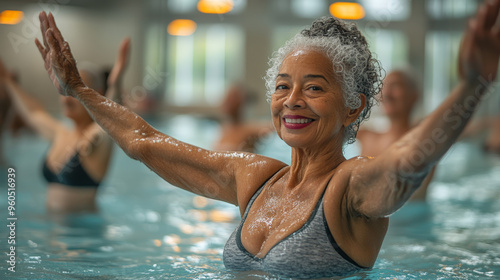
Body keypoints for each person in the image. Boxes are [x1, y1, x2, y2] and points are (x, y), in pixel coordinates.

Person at [34, 0, 500, 277]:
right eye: (282, 86)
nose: (292, 100)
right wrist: (79, 88)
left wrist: (472, 84)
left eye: (314, 88)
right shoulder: (254, 177)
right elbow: (142, 142)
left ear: (354, 107)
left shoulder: (349, 188)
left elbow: (408, 164)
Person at [0, 38, 130, 213]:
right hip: (53, 232)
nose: (66, 97)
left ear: (95, 95)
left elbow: (111, 119)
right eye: (63, 89)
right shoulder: (60, 132)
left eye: (74, 91)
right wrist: (7, 80)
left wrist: (115, 84)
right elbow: (33, 113)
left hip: (84, 236)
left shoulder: (98, 136)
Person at [357, 69, 434, 201]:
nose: (386, 93)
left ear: (414, 96)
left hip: (411, 218)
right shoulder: (367, 136)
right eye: (383, 87)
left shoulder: (426, 140)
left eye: (395, 86)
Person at [213, 83, 273, 152]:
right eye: (226, 97)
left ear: (242, 103)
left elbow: (274, 127)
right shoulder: (223, 128)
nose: (227, 102)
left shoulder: (250, 129)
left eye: (232, 99)